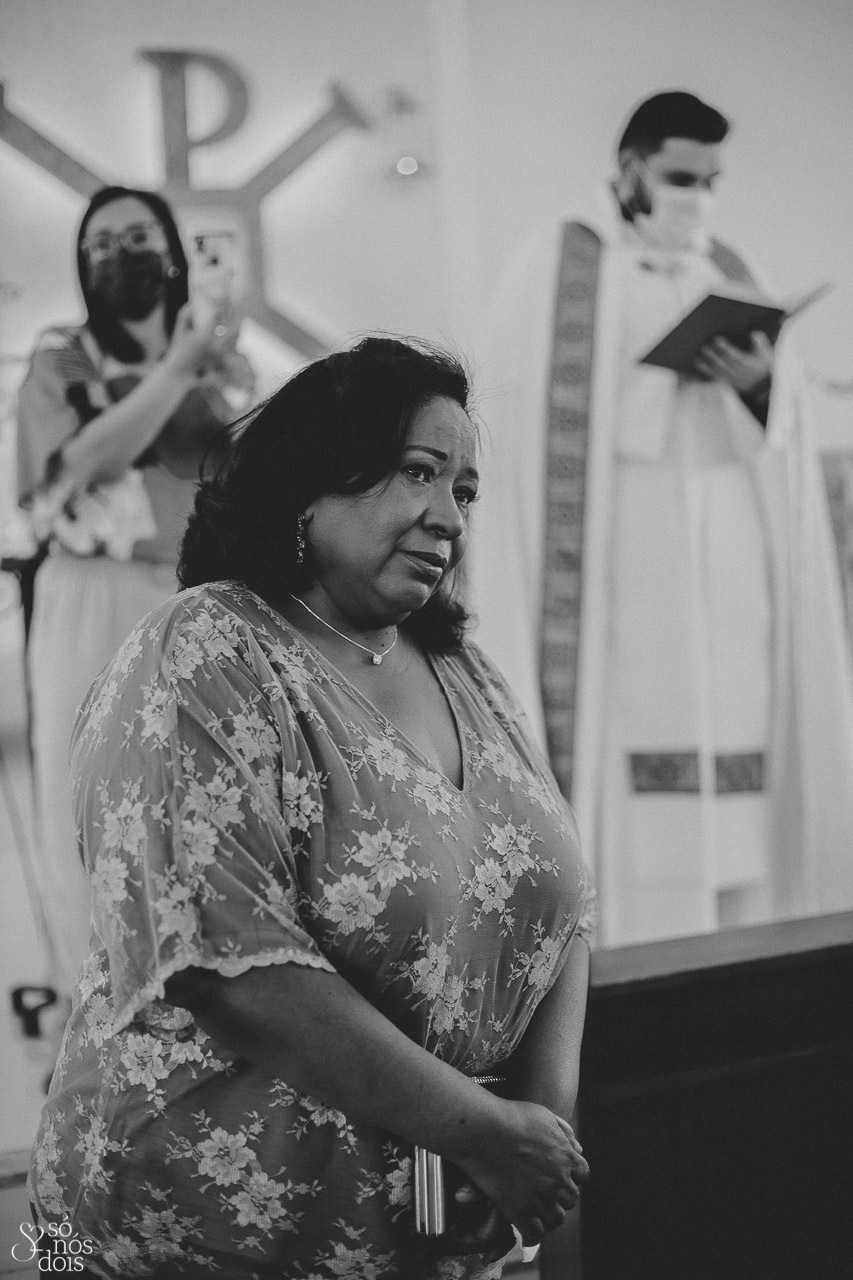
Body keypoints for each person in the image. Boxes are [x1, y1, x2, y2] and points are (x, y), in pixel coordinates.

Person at [28, 337, 595, 1279]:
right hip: (200, 1237)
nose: (448, 516)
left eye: (464, 492)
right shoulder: (206, 650)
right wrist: (484, 1131)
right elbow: (224, 963)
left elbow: (564, 907)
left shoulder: (466, 672)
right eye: (418, 472)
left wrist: (536, 1129)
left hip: (445, 1233)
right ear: (308, 483)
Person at [470, 90, 853, 947]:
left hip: (728, 553)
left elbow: (782, 435)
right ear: (631, 167)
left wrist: (756, 385)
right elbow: (528, 412)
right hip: (620, 557)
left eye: (711, 181)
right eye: (681, 178)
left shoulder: (729, 265)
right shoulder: (559, 261)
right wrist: (654, 379)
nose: (697, 198)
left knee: (739, 746)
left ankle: (749, 942)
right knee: (638, 755)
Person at [16, 185, 253, 995]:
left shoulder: (221, 361)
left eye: (139, 237)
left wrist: (203, 362)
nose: (122, 255)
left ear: (172, 253)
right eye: (103, 243)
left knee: (202, 789)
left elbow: (238, 464)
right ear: (84, 264)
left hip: (196, 588)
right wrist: (178, 369)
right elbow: (84, 462)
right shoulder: (63, 357)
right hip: (92, 589)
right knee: (92, 790)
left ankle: (212, 991)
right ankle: (101, 993)